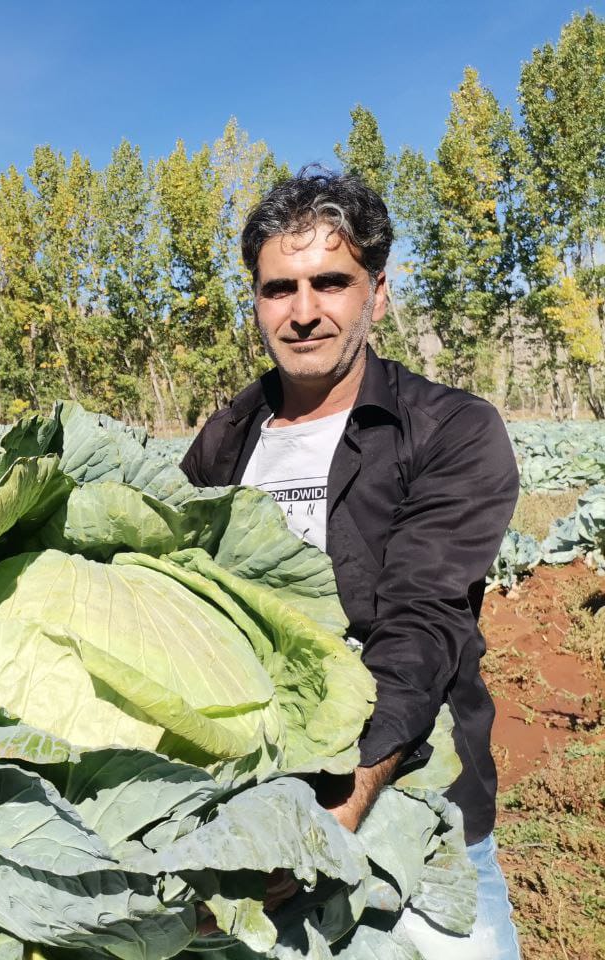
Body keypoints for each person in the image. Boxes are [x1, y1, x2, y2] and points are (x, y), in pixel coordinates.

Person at [180, 169, 521, 958]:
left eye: (330, 282)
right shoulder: (223, 441)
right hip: (250, 817)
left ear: (378, 291)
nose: (304, 313)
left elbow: (422, 624)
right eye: (278, 289)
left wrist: (340, 802)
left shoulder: (449, 432)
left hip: (410, 805)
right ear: (256, 301)